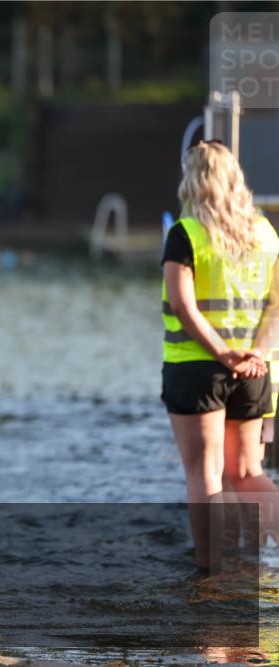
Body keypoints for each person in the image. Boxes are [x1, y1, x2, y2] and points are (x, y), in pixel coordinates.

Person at [161, 140, 279, 572]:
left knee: (205, 474)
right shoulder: (265, 233)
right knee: (248, 474)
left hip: (197, 369)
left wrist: (223, 354)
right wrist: (255, 355)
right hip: (253, 371)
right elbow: (276, 306)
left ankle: (209, 575)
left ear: (194, 180)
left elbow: (182, 306)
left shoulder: (185, 234)